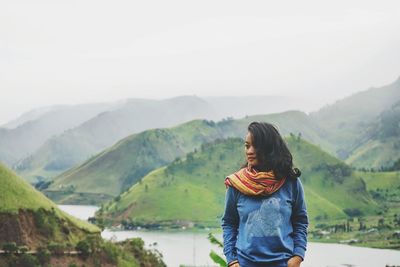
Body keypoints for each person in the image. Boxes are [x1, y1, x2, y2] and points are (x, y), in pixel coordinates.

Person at [221, 122, 308, 267]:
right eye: (247, 146)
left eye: (256, 146)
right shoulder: (237, 184)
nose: (249, 151)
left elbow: (300, 221)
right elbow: (229, 223)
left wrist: (298, 255)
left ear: (269, 148)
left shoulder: (290, 182)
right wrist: (232, 260)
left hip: (283, 263)